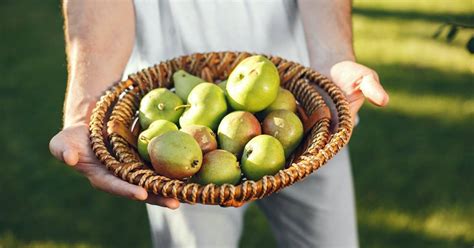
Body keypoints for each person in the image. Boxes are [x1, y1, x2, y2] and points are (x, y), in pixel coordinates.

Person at [50, 0, 389, 247]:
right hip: (170, 122)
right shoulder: (177, 144)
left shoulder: (308, 115)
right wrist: (85, 110)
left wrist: (333, 58)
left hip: (305, 110)